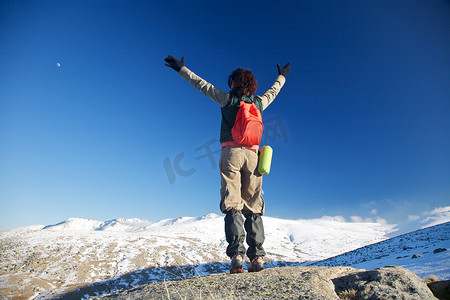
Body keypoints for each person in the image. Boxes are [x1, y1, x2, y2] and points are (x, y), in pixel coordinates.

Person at [164, 55, 290, 273]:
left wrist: (181, 69)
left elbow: (202, 85)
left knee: (232, 203)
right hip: (253, 156)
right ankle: (257, 258)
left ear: (234, 83)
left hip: (230, 153)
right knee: (253, 206)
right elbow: (273, 92)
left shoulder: (228, 99)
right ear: (251, 85)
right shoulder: (259, 103)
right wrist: (282, 76)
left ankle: (237, 257)